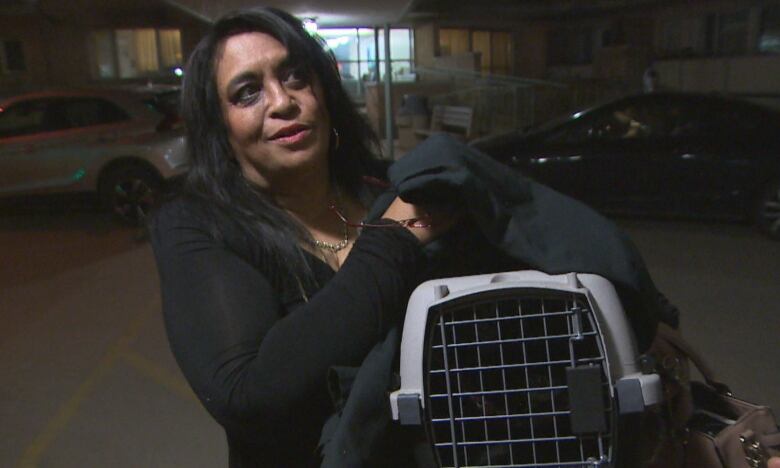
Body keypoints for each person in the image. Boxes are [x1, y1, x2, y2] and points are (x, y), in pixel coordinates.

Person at [149, 7, 452, 467]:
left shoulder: (387, 187)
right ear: (219, 126)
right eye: (247, 92)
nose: (282, 101)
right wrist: (396, 238)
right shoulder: (196, 222)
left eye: (294, 76)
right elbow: (247, 395)